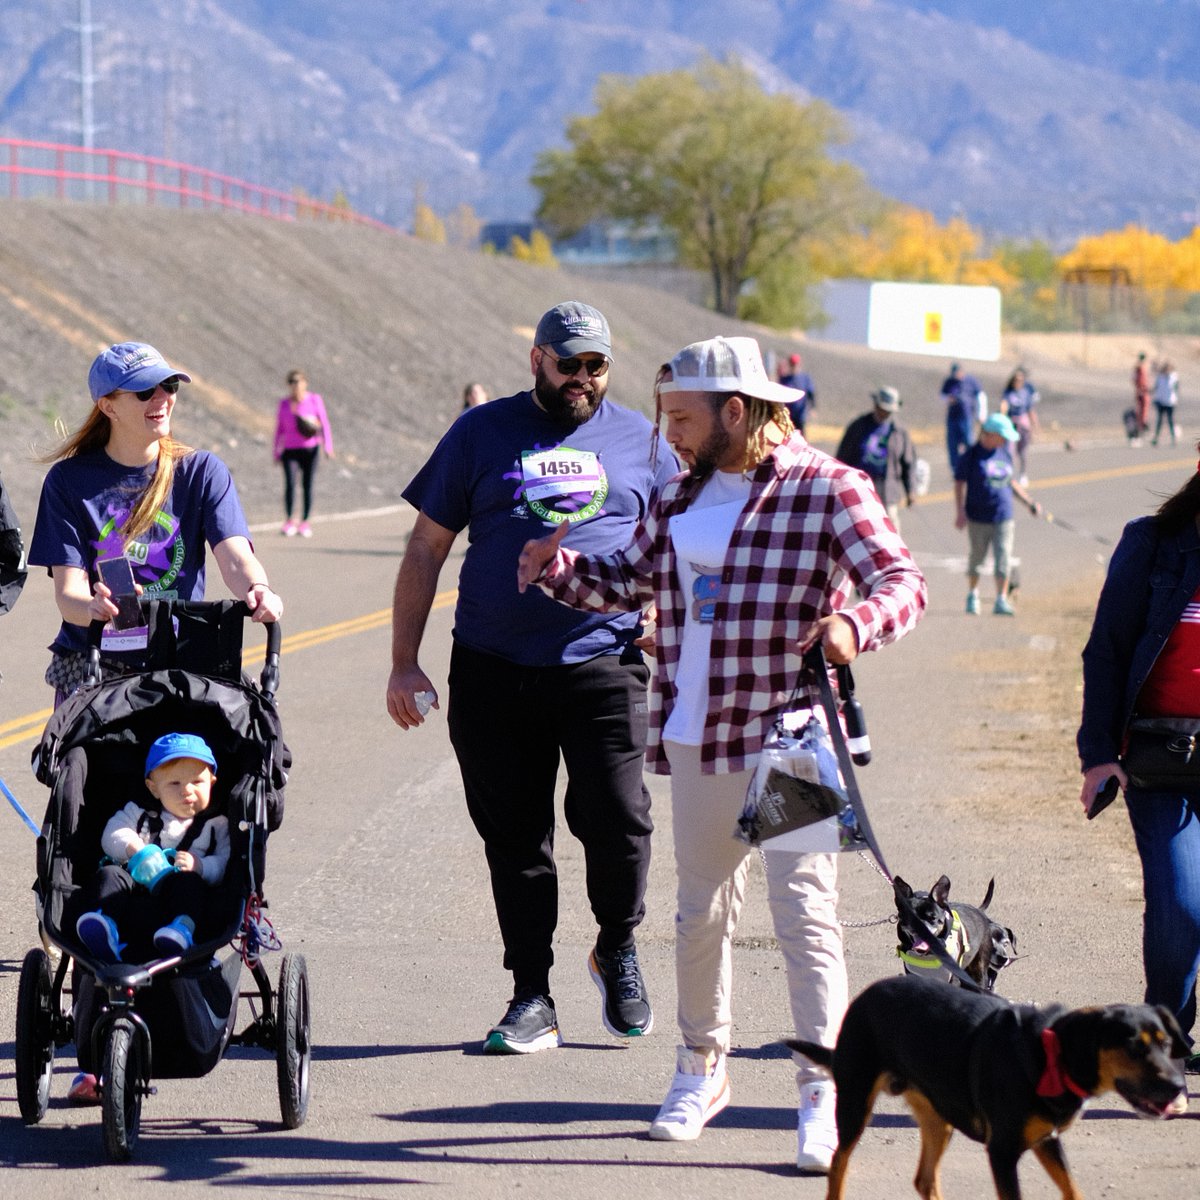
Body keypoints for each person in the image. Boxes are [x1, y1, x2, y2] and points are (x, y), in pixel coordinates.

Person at [516, 335, 927, 1169]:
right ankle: (700, 1071)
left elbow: (903, 582)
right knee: (700, 913)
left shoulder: (828, 487)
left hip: (791, 735)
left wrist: (854, 623)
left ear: (735, 411)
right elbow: (626, 581)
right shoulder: (679, 495)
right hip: (695, 732)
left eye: (681, 417)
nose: (667, 433)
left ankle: (823, 1094)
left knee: (805, 915)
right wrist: (555, 568)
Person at [385, 301, 678, 1054]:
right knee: (516, 838)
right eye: (567, 362)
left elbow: (682, 545)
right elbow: (426, 547)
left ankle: (616, 945)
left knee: (619, 819)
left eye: (595, 365)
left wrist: (666, 615)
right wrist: (404, 661)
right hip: (494, 667)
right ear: (537, 360)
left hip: (604, 660)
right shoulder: (480, 432)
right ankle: (532, 995)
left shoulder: (645, 443)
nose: (582, 377)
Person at [28, 341, 282, 705]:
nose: (162, 398)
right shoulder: (67, 482)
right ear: (108, 406)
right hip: (96, 662)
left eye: (169, 385)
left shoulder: (201, 472)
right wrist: (94, 609)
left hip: (180, 659)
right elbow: (69, 595)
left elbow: (236, 558)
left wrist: (258, 589)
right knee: (72, 744)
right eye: (145, 391)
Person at [1077, 451, 1200, 1088]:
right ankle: (1166, 1045)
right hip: (1163, 759)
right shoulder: (1152, 544)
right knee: (1181, 908)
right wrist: (1098, 752)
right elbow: (1107, 648)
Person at [65, 731, 232, 1105]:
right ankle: (103, 926)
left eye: (197, 782)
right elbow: (111, 835)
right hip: (131, 899)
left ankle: (180, 930)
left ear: (213, 781)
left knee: (189, 885)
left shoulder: (215, 825)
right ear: (153, 787)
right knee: (109, 875)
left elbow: (223, 865)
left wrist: (201, 866)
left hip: (175, 904)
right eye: (174, 784)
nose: (187, 791)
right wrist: (135, 848)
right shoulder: (137, 813)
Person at [954, 413, 1041, 616]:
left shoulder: (1004, 453)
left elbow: (1011, 482)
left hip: (1003, 515)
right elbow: (959, 483)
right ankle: (973, 595)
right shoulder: (972, 455)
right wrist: (960, 511)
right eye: (1003, 436)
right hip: (978, 517)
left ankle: (1001, 599)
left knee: (1003, 558)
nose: (1005, 440)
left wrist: (1029, 502)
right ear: (991, 434)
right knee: (977, 558)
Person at [834, 386, 917, 530]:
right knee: (859, 527)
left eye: (888, 411)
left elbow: (908, 462)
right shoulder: (858, 426)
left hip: (887, 488)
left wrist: (911, 490)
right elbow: (842, 457)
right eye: (882, 408)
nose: (885, 413)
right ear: (876, 405)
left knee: (890, 528)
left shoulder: (900, 431)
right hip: (860, 486)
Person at [273, 368, 334, 537]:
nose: (295, 385)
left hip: (310, 449)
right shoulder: (284, 404)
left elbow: (324, 423)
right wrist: (276, 451)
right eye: (291, 382)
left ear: (305, 383)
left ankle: (305, 522)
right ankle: (289, 521)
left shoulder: (314, 400)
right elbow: (279, 429)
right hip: (290, 451)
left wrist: (328, 446)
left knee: (307, 485)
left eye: (298, 381)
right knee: (290, 484)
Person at [999, 366, 1040, 484]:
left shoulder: (1025, 393)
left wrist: (1035, 426)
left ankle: (1023, 473)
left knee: (1022, 452)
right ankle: (1008, 475)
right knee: (1009, 450)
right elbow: (1004, 406)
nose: (1018, 382)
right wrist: (1002, 419)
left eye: (1021, 380)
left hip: (1023, 425)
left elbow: (1030, 410)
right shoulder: (1008, 392)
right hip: (1011, 424)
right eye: (1016, 379)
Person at [940, 362, 982, 472]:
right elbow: (942, 395)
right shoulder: (949, 382)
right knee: (952, 443)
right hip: (953, 417)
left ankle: (971, 464)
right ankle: (955, 467)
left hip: (966, 416)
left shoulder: (970, 381)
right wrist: (949, 399)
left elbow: (980, 395)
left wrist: (981, 413)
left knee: (968, 440)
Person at [778, 352, 815, 436]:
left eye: (795, 364)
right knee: (788, 436)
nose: (794, 366)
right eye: (792, 364)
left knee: (801, 435)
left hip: (800, 414)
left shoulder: (805, 378)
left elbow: (811, 393)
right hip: (788, 414)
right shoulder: (784, 379)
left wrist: (813, 407)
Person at [1151, 361, 1180, 447]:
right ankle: (1156, 438)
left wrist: (1176, 399)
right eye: (1165, 369)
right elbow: (1156, 387)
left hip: (1170, 402)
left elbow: (1176, 388)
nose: (1167, 371)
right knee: (1159, 421)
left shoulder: (1174, 377)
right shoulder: (1160, 377)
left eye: (1168, 369)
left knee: (1170, 421)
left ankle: (1173, 439)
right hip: (1160, 401)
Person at [1133, 352, 1152, 443]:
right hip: (1142, 391)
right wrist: (1141, 389)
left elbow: (1134, 380)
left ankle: (1141, 427)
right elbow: (1139, 381)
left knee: (1143, 410)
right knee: (1142, 411)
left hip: (1142, 391)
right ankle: (1140, 428)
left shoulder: (1139, 368)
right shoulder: (1140, 368)